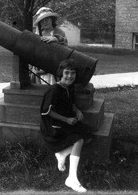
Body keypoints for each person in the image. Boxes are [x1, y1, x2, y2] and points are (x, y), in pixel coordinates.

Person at [40, 59, 92, 193]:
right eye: (67, 73)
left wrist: (77, 111)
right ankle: (72, 179)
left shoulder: (70, 88)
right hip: (53, 126)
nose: (70, 76)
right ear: (61, 74)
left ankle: (62, 154)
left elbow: (70, 104)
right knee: (79, 140)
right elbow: (47, 111)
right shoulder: (53, 90)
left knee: (89, 134)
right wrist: (67, 119)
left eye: (73, 73)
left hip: (64, 122)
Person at [31, 7, 68, 84]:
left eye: (47, 19)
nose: (45, 22)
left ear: (52, 19)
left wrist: (56, 39)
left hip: (54, 70)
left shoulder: (59, 32)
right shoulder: (38, 34)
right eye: (42, 20)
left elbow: (66, 50)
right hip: (40, 69)